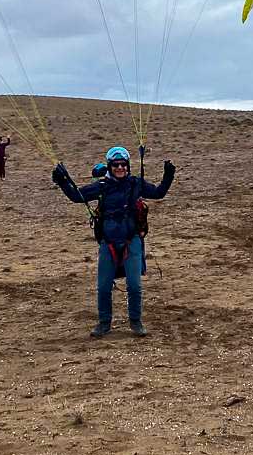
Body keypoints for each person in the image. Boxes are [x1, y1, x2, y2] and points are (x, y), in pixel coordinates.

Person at [52, 145, 175, 339]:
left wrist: (168, 175)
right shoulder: (102, 186)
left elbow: (158, 193)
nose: (120, 168)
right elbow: (77, 196)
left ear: (128, 166)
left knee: (134, 285)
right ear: (110, 166)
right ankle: (104, 323)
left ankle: (135, 321)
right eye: (116, 165)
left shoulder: (136, 184)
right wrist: (62, 180)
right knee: (103, 286)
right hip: (108, 242)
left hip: (131, 240)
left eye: (123, 164)